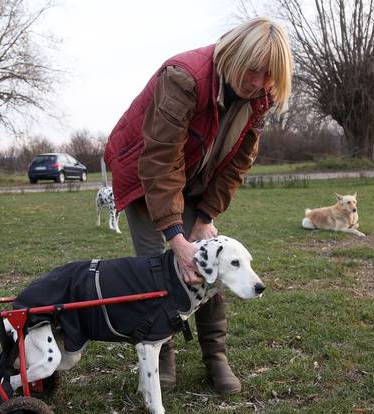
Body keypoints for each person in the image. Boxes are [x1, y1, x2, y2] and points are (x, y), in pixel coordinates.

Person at [104, 17, 293, 394]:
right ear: (235, 56)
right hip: (144, 172)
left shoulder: (260, 98)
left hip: (196, 175)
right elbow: (159, 161)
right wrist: (177, 238)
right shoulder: (183, 77)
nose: (258, 83)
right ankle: (162, 353)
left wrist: (205, 217)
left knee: (210, 259)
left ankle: (215, 355)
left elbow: (239, 161)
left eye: (268, 76)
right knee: (157, 266)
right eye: (253, 71)